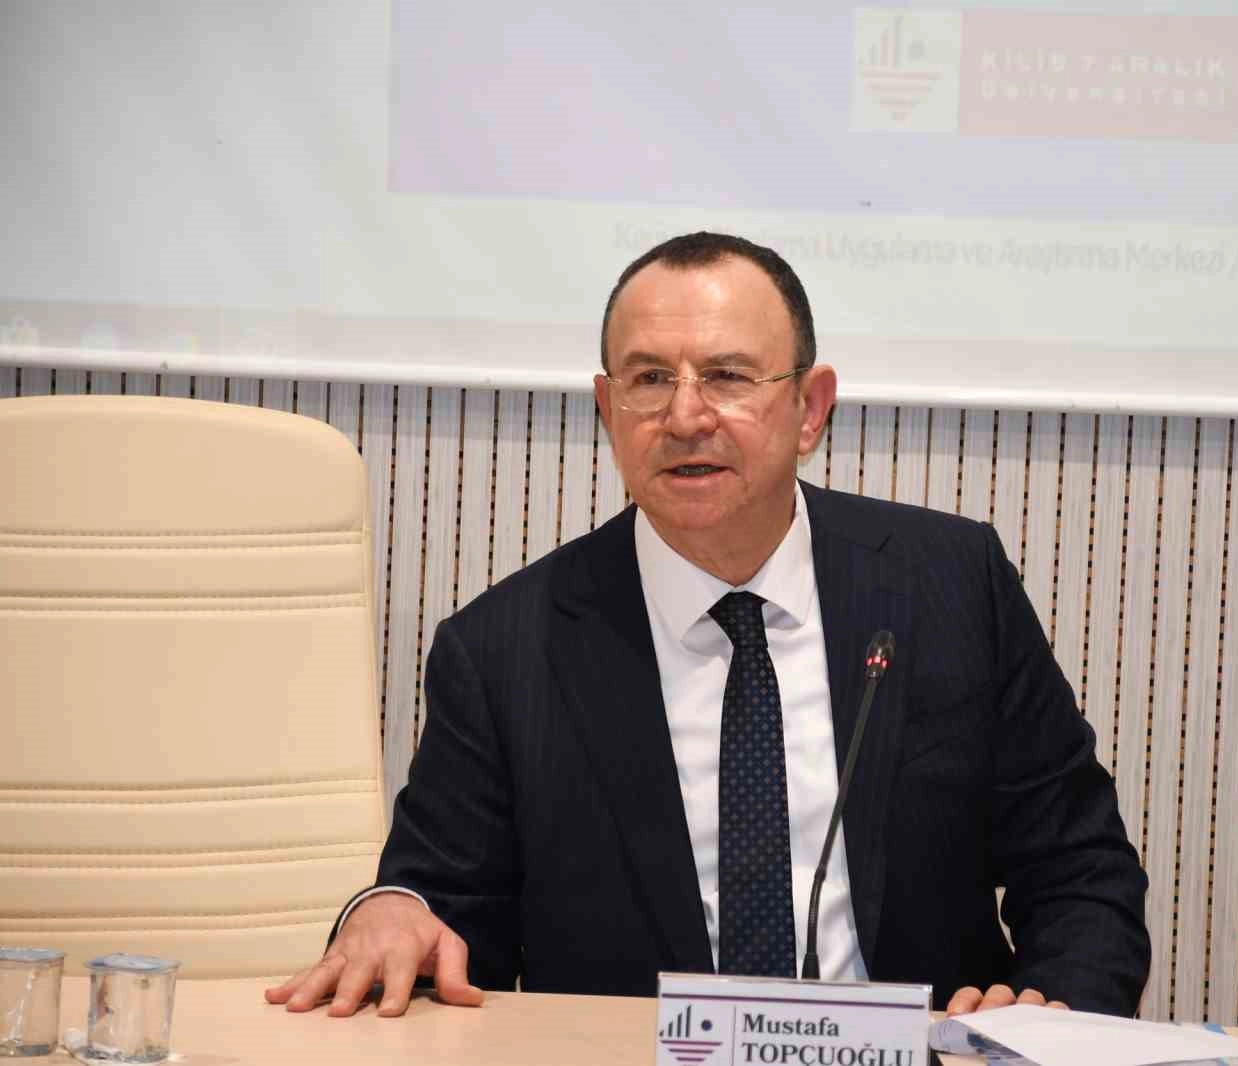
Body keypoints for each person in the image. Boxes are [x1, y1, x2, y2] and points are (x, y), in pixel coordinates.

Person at [266, 232, 1150, 1020]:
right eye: (650, 380)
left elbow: (1081, 870)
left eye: (728, 377)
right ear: (609, 410)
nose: (685, 417)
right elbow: (435, 912)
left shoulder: (950, 585)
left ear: (810, 409)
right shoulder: (502, 650)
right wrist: (389, 912)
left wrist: (1046, 1019)